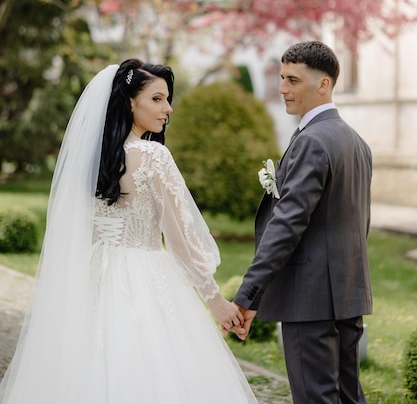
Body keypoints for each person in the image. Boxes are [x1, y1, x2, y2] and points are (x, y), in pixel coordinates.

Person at [0, 59, 257, 404]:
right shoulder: (153, 156)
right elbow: (180, 241)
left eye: (167, 99)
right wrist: (216, 302)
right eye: (157, 98)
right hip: (144, 278)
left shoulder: (93, 161)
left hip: (92, 281)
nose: (168, 108)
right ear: (129, 101)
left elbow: (80, 231)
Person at [230, 41, 373, 404]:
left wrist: (248, 294)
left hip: (309, 299)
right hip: (347, 295)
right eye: (281, 78)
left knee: (315, 398)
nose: (282, 89)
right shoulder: (357, 143)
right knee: (347, 397)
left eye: (293, 80)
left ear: (323, 84)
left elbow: (287, 225)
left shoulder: (312, 141)